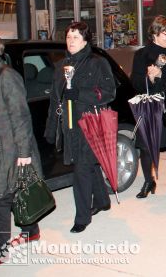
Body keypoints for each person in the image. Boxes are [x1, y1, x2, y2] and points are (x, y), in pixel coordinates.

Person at [0, 32, 43, 270]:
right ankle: (31, 231)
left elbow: (21, 117)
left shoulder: (5, 76)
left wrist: (24, 153)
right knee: (15, 192)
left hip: (8, 147)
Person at [45, 22, 116, 234]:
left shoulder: (97, 62)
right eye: (68, 37)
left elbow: (109, 92)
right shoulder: (60, 66)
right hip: (69, 126)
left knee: (81, 170)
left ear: (85, 40)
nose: (71, 41)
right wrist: (51, 129)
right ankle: (103, 201)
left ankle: (82, 217)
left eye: (76, 37)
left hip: (89, 123)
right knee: (90, 165)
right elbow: (54, 100)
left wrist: (80, 94)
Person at [131, 15, 166, 198]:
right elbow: (135, 82)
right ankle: (149, 181)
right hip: (149, 106)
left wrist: (162, 74)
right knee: (146, 146)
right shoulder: (142, 54)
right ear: (155, 33)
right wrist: (149, 77)